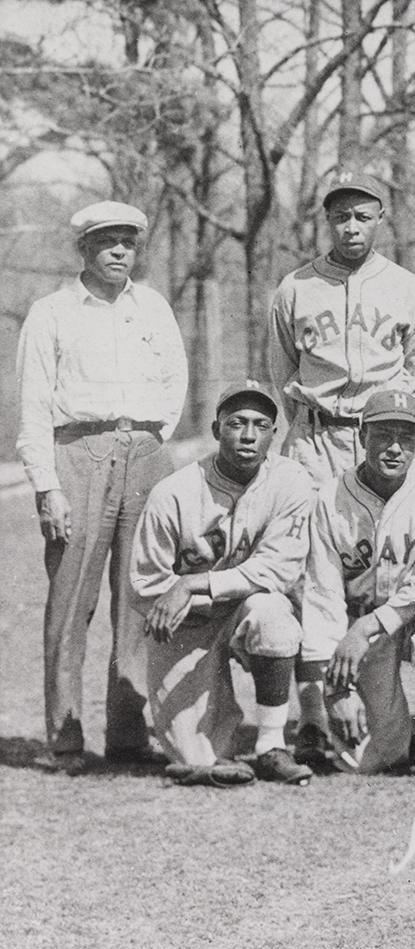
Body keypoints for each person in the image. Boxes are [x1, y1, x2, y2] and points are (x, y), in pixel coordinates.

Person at [265, 169, 415, 768]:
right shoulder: (295, 287)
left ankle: (385, 707)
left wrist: (389, 432)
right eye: (341, 216)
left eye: (363, 215)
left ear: (381, 217)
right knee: (314, 572)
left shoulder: (408, 288)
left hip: (380, 438)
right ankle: (312, 717)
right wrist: (306, 432)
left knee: (383, 570)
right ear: (327, 220)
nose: (352, 226)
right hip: (316, 437)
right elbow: (282, 372)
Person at [16, 201, 188, 772]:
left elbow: (174, 380)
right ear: (83, 249)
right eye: (107, 242)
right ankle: (65, 738)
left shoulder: (153, 307)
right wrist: (48, 485)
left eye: (128, 243)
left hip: (143, 453)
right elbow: (35, 407)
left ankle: (129, 732)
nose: (119, 252)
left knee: (138, 594)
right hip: (77, 455)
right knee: (71, 602)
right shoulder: (52, 312)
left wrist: (151, 440)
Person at [129, 382, 318, 786]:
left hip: (246, 609)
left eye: (260, 425)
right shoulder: (174, 493)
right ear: (216, 431)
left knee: (273, 613)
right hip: (189, 624)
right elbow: (145, 584)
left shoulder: (291, 480)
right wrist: (188, 596)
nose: (248, 435)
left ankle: (270, 745)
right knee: (198, 757)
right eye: (236, 423)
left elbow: (279, 569)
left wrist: (193, 583)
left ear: (274, 434)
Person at [301, 389, 415, 780]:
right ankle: (397, 738)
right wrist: (335, 691)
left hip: (409, 616)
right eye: (383, 434)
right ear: (362, 436)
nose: (395, 448)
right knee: (368, 760)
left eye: (406, 437)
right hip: (356, 633)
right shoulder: (330, 498)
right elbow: (321, 595)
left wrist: (368, 626)